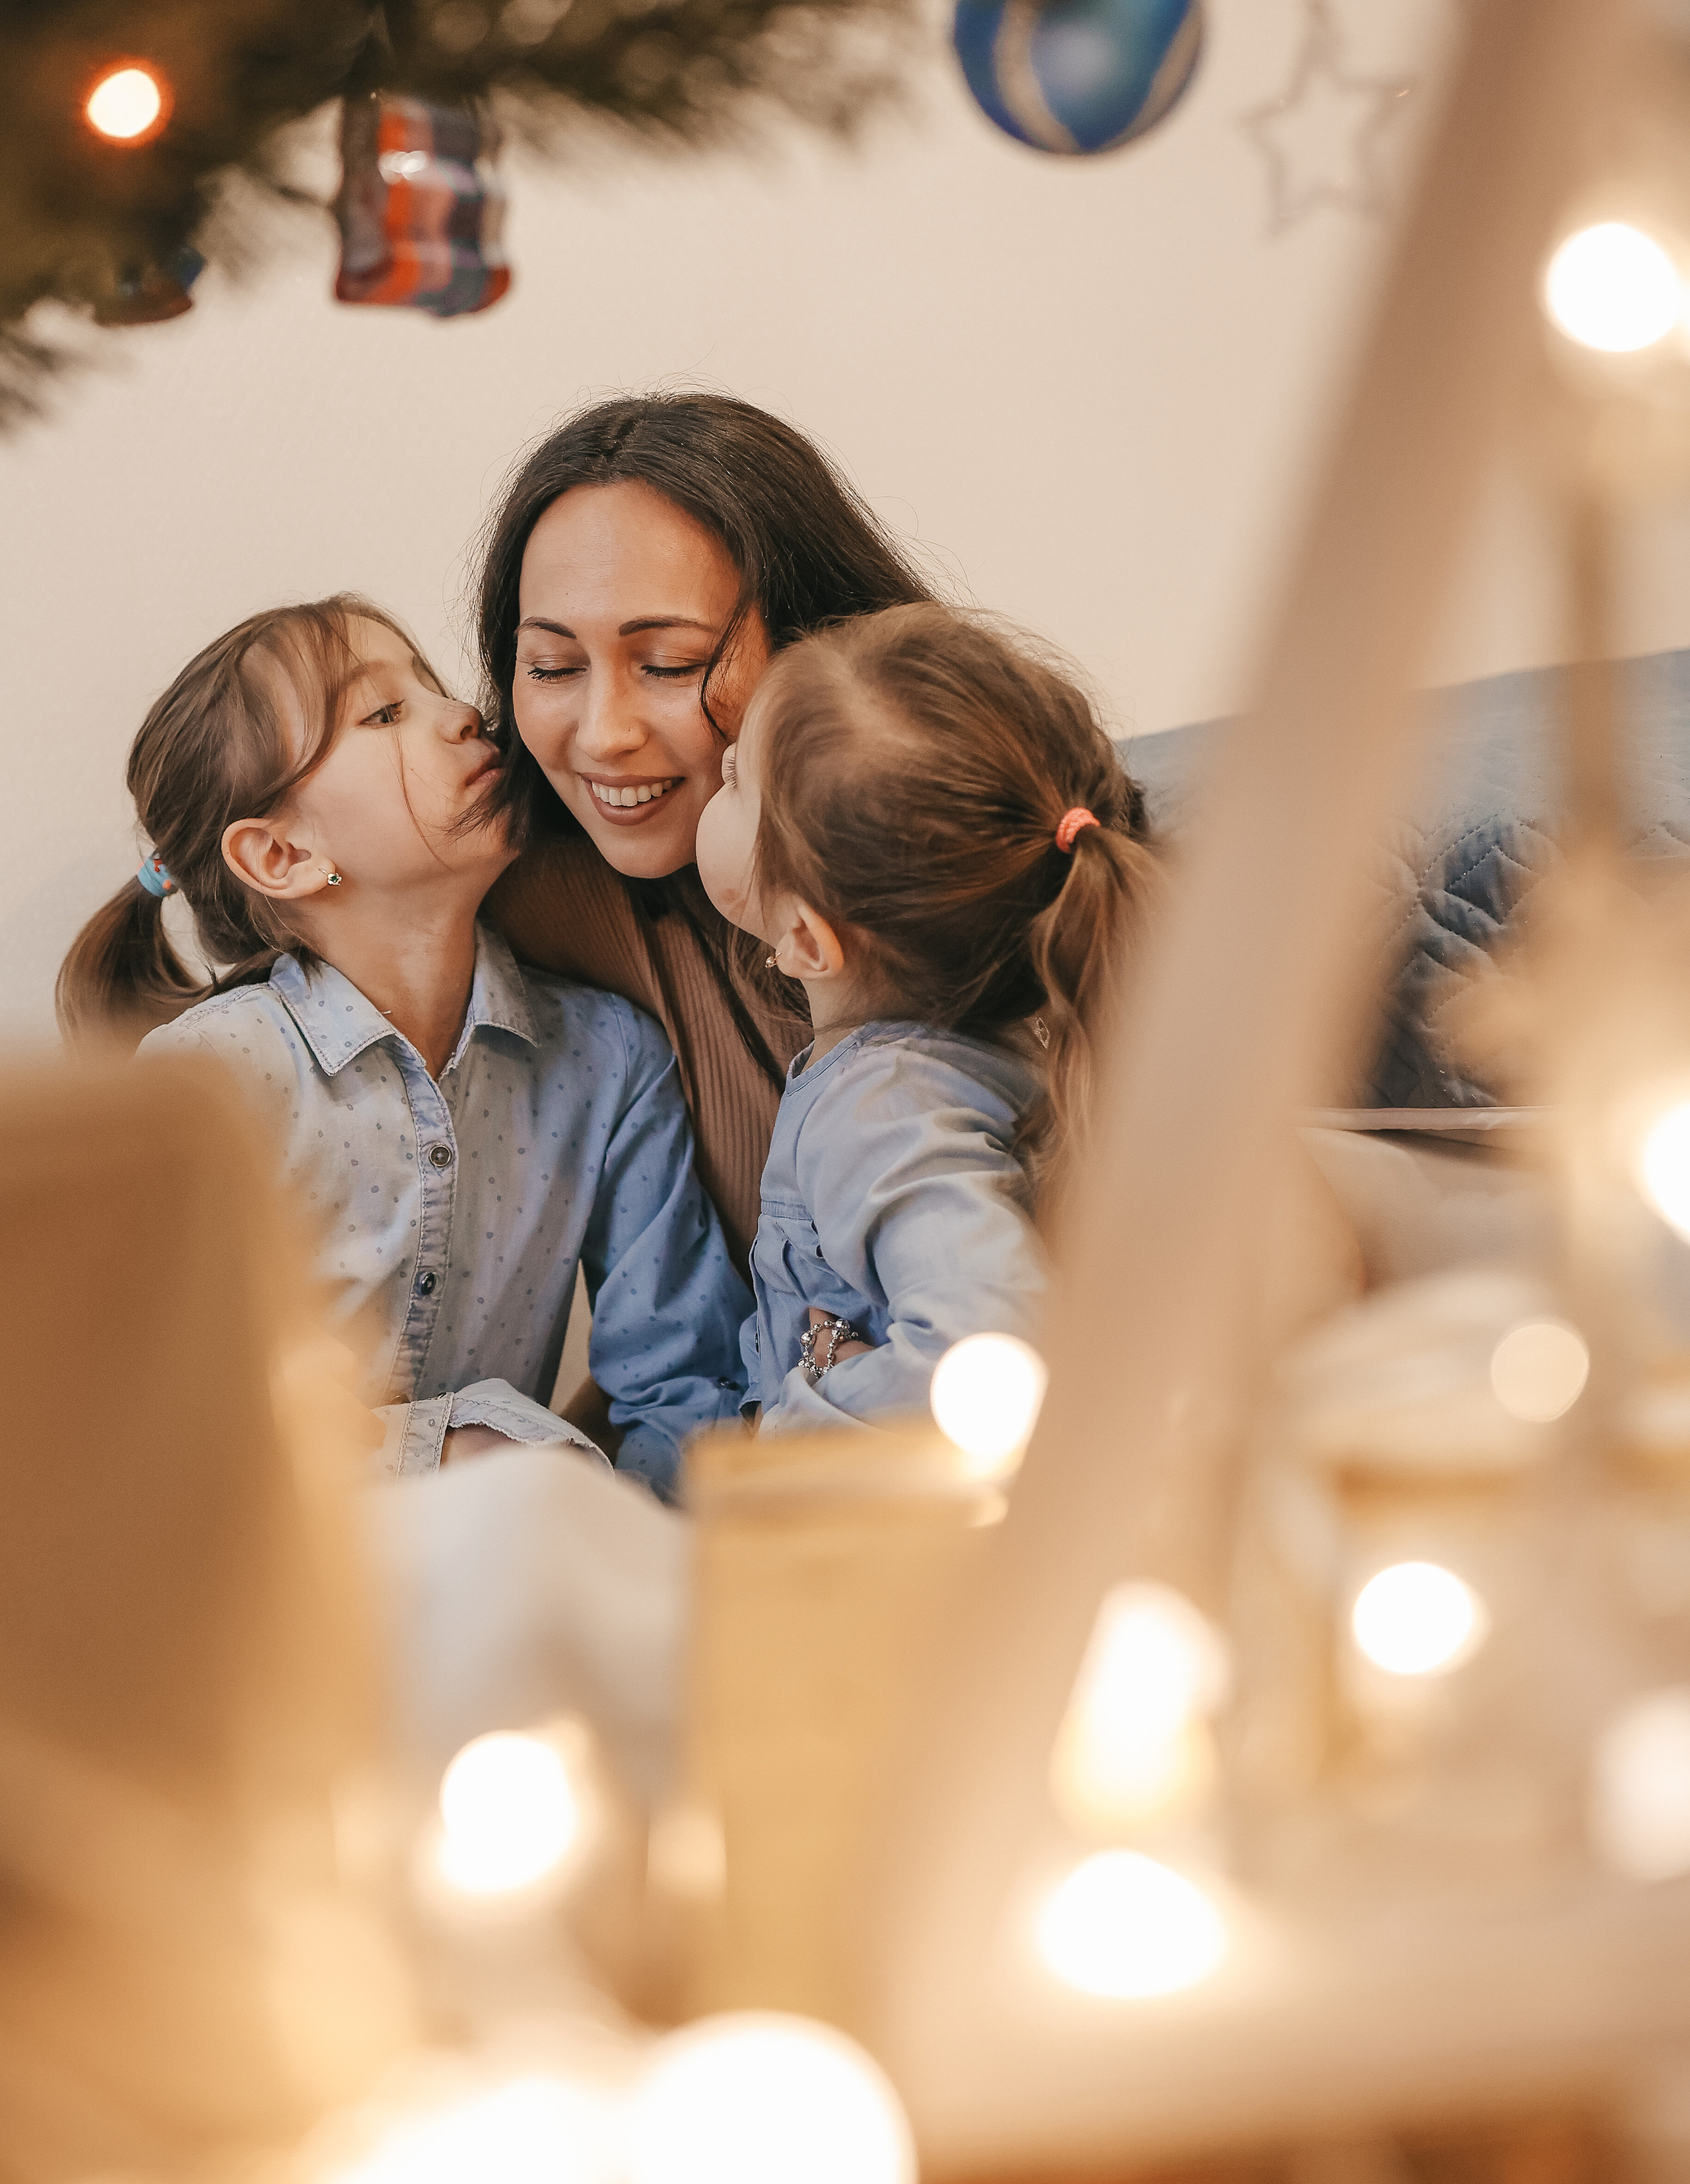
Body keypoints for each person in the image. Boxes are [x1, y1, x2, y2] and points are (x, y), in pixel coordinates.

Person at [56, 596, 750, 1497]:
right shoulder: (215, 1081)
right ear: (282, 857)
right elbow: (144, 1410)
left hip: (509, 1580)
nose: (464, 714)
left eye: (433, 690)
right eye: (385, 713)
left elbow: (682, 1387)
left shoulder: (610, 1059)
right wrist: (454, 1450)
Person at [475, 392, 933, 1274]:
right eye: (552, 666)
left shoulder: (986, 865)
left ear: (817, 646)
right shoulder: (550, 888)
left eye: (669, 666)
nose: (604, 733)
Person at [692, 602, 1162, 1430]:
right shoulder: (1022, 1017)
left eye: (738, 782)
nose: (720, 760)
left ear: (804, 939)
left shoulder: (883, 1109)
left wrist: (795, 1420)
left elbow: (993, 1349)